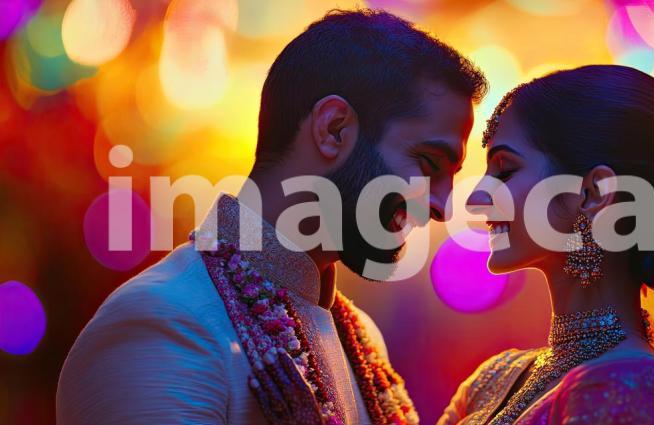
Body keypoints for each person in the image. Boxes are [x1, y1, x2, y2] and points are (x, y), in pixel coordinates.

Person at [57, 9, 486, 425]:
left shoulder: (362, 342)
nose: (442, 206)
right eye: (428, 163)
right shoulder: (163, 325)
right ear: (334, 129)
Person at [439, 65, 654, 424]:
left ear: (594, 193)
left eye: (505, 170)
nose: (476, 198)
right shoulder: (495, 378)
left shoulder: (633, 388)